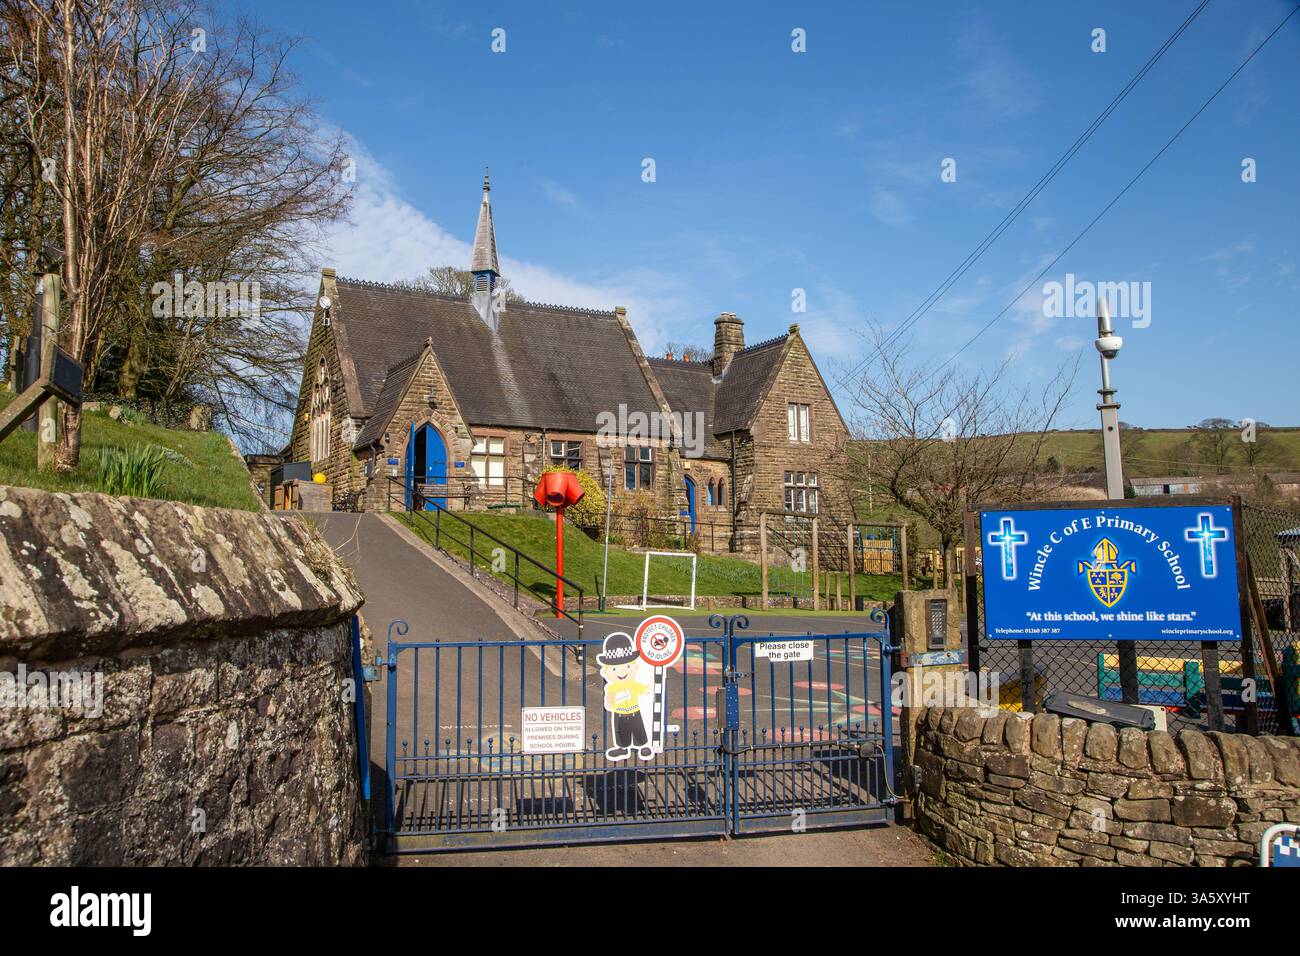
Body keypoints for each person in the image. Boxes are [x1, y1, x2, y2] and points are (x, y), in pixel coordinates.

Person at [596, 633, 654, 761]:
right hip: (619, 713)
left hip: (634, 711)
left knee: (638, 729)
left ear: (634, 666)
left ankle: (643, 746)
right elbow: (610, 697)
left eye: (627, 666)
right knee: (621, 731)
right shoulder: (612, 687)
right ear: (607, 671)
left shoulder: (633, 684)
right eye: (615, 669)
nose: (622, 672)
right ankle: (622, 747)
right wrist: (610, 702)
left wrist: (647, 687)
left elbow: (642, 689)